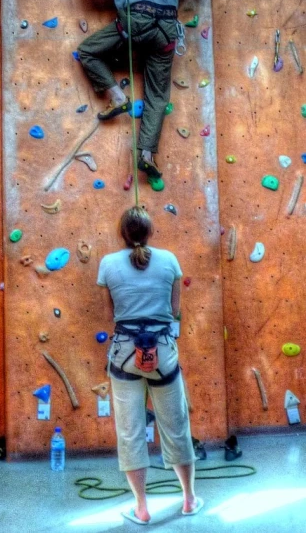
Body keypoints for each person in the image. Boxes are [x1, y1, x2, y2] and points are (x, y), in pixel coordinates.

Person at [71, 0, 214, 178]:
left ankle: (117, 97)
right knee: (157, 96)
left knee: (88, 51)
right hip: (166, 31)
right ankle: (147, 154)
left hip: (133, 24)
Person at [97, 205, 202, 523]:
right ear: (150, 232)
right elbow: (174, 310)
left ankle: (141, 508)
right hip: (163, 352)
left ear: (122, 234)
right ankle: (188, 499)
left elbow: (110, 312)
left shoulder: (108, 264)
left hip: (125, 353)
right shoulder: (169, 260)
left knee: (129, 431)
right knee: (176, 425)